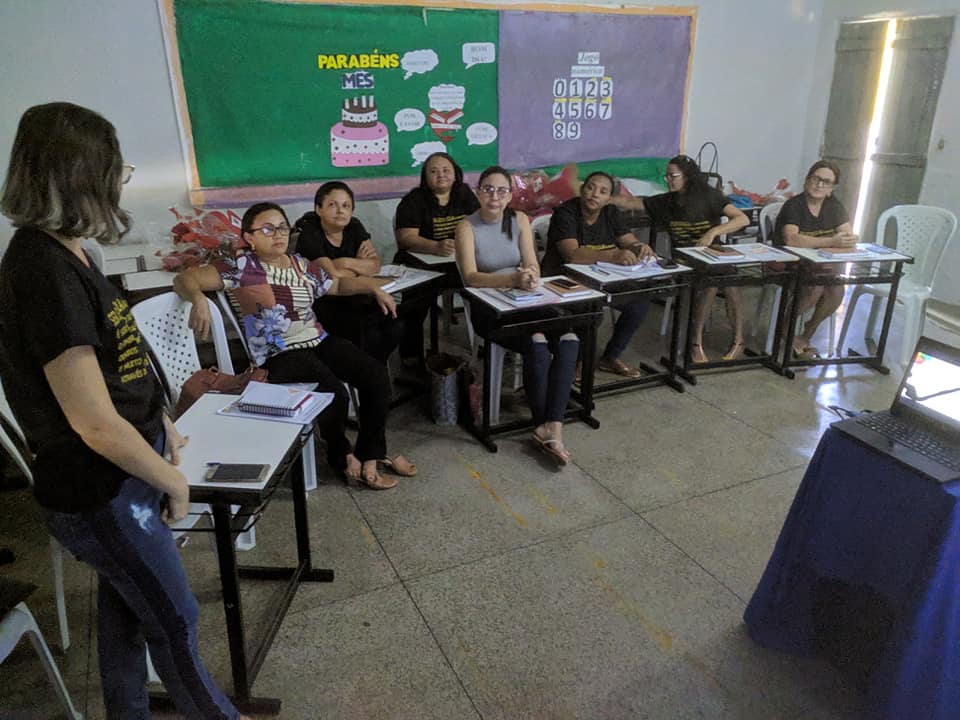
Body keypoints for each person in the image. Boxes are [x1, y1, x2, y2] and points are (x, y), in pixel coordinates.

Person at [0, 102, 250, 720]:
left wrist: (159, 420)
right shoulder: (42, 270)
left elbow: (118, 366)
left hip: (127, 470)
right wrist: (173, 481)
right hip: (102, 488)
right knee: (175, 618)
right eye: (116, 168)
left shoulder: (72, 250)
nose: (120, 181)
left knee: (132, 614)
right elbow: (90, 420)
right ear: (79, 174)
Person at [174, 202, 417, 489]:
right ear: (250, 237)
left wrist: (372, 287)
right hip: (278, 353)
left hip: (317, 340)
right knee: (335, 393)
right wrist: (199, 299)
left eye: (282, 228)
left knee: (375, 376)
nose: (278, 234)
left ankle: (370, 454)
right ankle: (341, 455)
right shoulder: (240, 268)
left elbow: (337, 285)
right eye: (268, 229)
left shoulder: (301, 264)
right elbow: (185, 278)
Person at [455, 166, 578, 465]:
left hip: (524, 296)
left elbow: (532, 262)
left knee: (569, 337)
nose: (494, 196)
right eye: (488, 189)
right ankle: (543, 423)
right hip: (488, 304)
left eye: (501, 191)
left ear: (510, 195)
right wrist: (510, 279)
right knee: (537, 340)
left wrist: (530, 275)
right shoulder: (466, 226)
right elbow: (471, 277)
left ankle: (553, 426)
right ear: (478, 192)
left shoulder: (519, 219)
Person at [616, 155, 750, 363]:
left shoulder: (710, 196)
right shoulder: (665, 201)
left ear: (687, 176)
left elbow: (742, 218)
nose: (668, 180)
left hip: (712, 255)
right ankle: (695, 342)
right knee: (710, 284)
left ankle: (738, 341)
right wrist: (605, 197)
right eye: (666, 176)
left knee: (731, 282)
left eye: (673, 175)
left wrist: (713, 232)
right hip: (685, 261)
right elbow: (630, 203)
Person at [540, 171, 656, 378]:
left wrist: (639, 247)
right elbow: (572, 255)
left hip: (601, 278)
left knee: (639, 301)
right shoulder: (565, 213)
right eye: (591, 188)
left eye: (603, 192)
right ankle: (579, 361)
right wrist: (613, 255)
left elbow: (628, 240)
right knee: (590, 307)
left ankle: (610, 357)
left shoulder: (611, 213)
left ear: (608, 199)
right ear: (582, 190)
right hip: (561, 279)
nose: (595, 194)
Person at [293, 181, 402, 363]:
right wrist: (359, 266)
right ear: (319, 209)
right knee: (369, 333)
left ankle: (374, 367)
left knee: (395, 325)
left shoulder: (354, 226)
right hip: (326, 300)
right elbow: (329, 276)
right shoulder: (310, 232)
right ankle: (364, 369)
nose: (340, 211)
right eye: (332, 205)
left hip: (358, 293)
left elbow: (375, 265)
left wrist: (344, 263)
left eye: (346, 206)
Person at [393, 152, 481, 366]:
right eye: (433, 171)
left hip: (457, 263)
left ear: (455, 174)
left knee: (484, 284)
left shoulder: (465, 195)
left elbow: (480, 226)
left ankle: (484, 343)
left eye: (446, 170)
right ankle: (411, 354)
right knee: (416, 297)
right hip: (421, 263)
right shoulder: (413, 200)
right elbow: (405, 238)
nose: (441, 175)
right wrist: (434, 247)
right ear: (425, 177)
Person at [773, 160, 857, 359]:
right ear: (806, 181)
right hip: (787, 262)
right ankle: (785, 328)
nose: (819, 185)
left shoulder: (833, 205)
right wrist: (831, 240)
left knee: (837, 289)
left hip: (817, 264)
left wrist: (846, 239)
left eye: (826, 182)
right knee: (815, 287)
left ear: (832, 188)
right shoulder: (794, 205)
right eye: (815, 179)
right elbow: (792, 240)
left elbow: (848, 236)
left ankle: (807, 333)